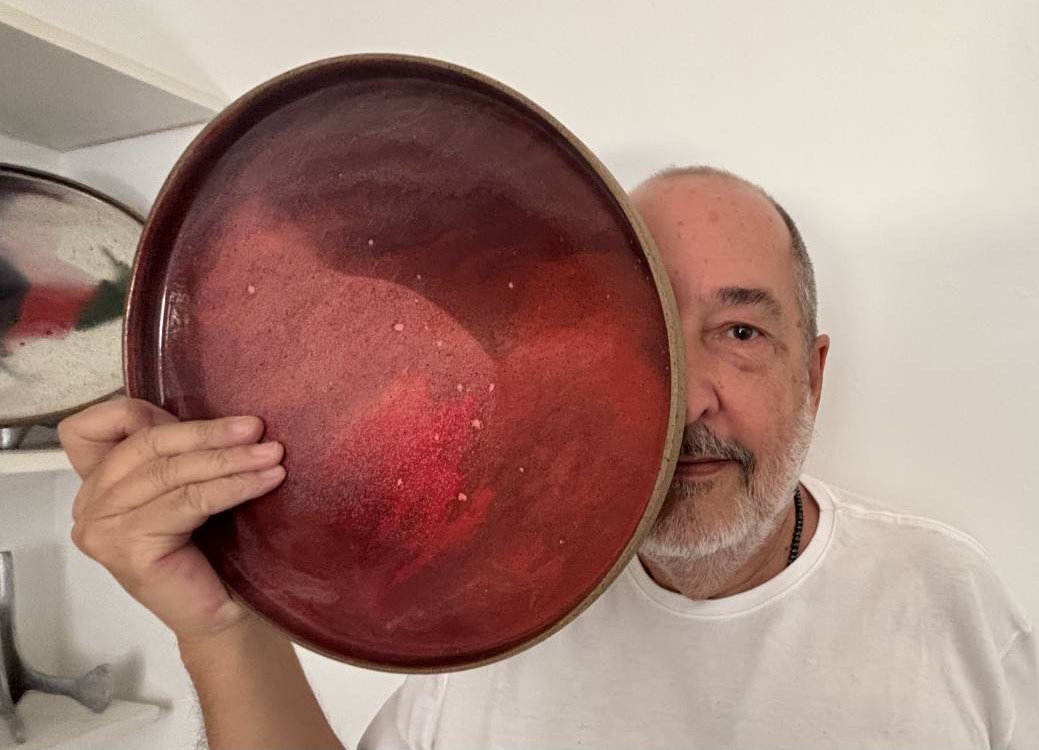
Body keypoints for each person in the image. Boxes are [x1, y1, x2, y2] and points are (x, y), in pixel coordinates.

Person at [59, 166, 1037, 749]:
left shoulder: (940, 595)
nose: (688, 397)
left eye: (739, 333)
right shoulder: (497, 602)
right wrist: (225, 628)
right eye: (643, 336)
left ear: (811, 375)